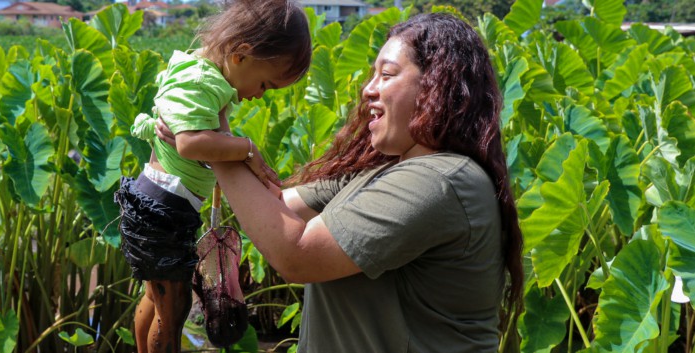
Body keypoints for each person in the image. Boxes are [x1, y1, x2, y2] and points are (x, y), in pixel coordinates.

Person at [158, 12, 523, 352]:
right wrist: (208, 136)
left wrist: (214, 140)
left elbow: (296, 254)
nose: (368, 89)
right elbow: (275, 208)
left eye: (388, 74)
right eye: (372, 75)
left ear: (437, 86)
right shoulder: (383, 174)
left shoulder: (439, 181)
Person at [113, 1, 311, 352]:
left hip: (158, 202)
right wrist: (247, 148)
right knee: (173, 311)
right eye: (265, 84)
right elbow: (190, 144)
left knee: (157, 296)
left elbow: (204, 142)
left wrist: (234, 152)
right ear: (241, 55)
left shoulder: (202, 72)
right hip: (164, 208)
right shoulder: (203, 80)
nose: (257, 96)